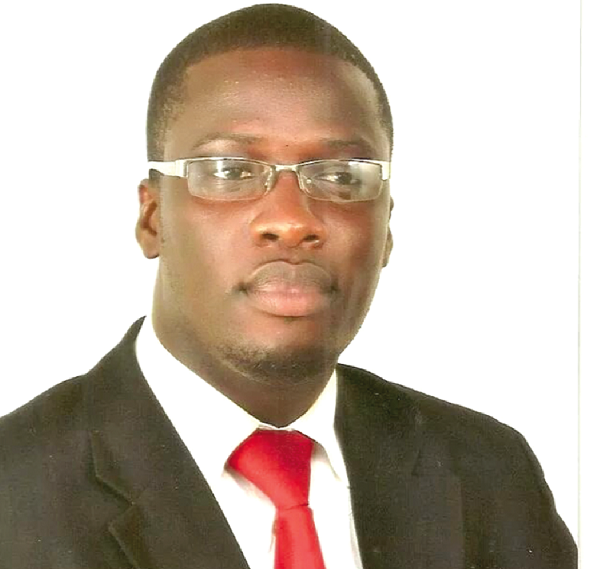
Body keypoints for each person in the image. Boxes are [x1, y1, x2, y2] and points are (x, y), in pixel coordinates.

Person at [0, 4, 576, 568]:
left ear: (386, 229)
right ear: (153, 219)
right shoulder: (14, 493)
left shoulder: (489, 473)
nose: (292, 220)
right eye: (230, 172)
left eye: (341, 175)